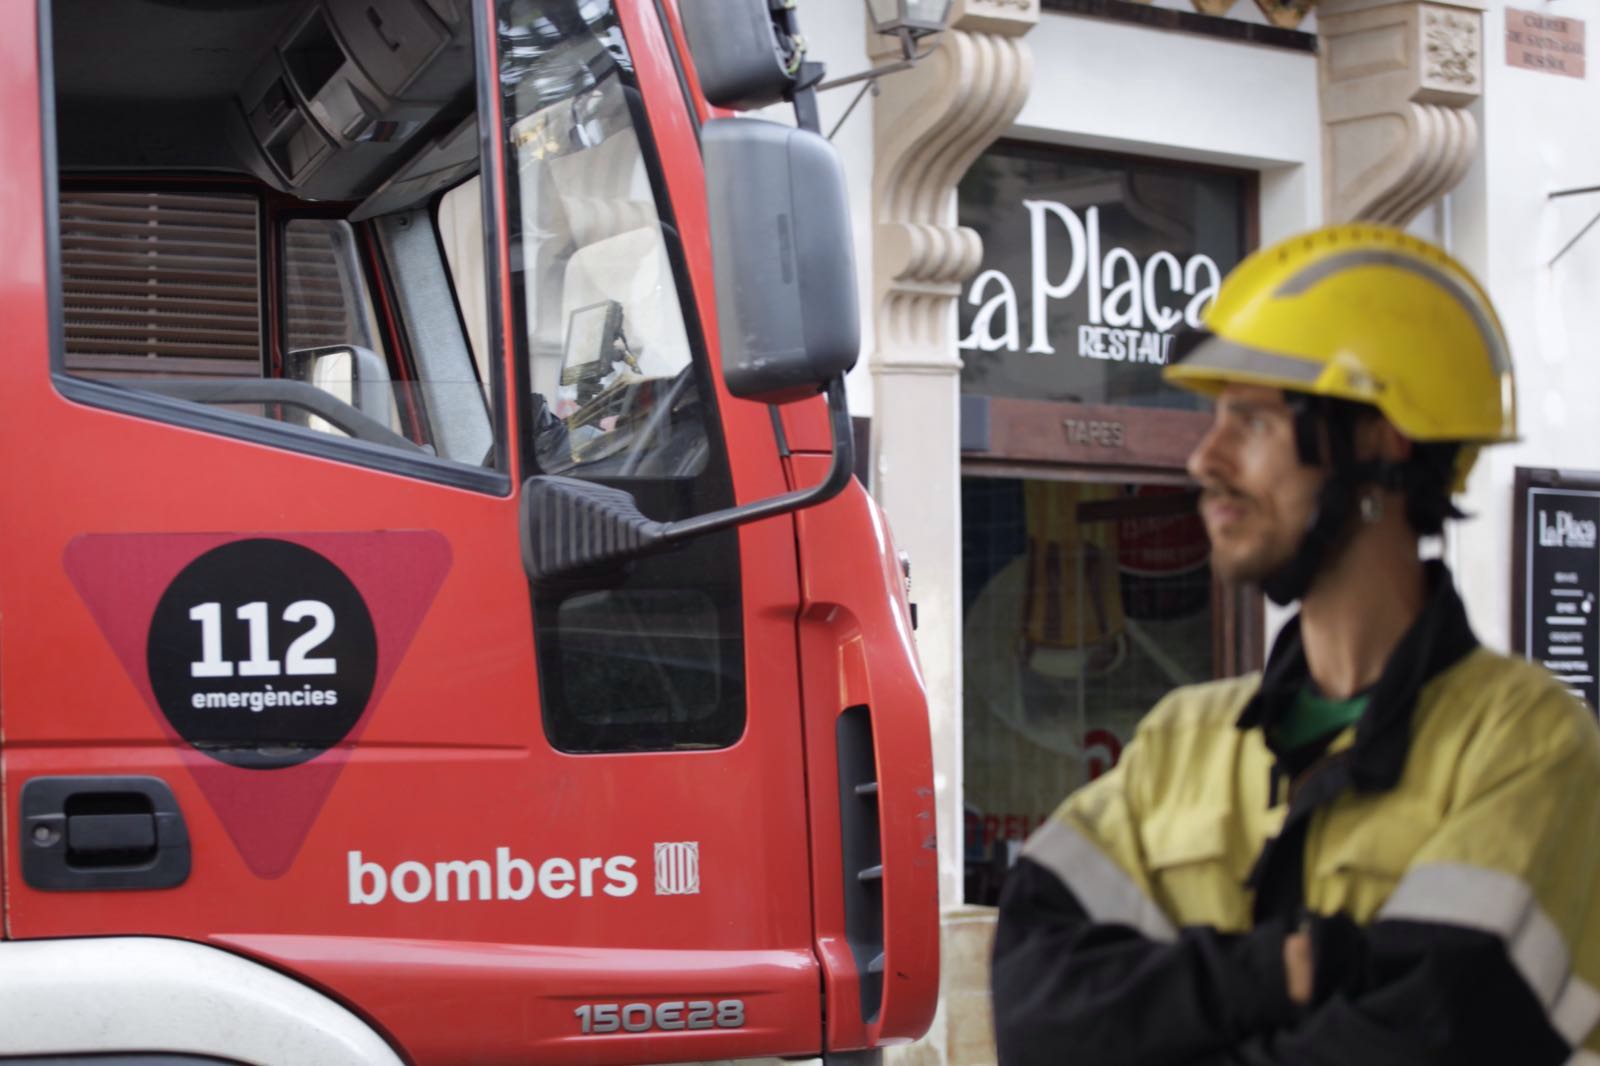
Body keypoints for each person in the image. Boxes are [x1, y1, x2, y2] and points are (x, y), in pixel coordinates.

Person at [990, 223, 1600, 1066]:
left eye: (1251, 420)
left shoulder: (1526, 743)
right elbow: (1037, 1012)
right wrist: (1287, 970)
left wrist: (1163, 1018)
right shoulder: (1182, 740)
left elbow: (1432, 1038)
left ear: (1381, 437)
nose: (1205, 457)